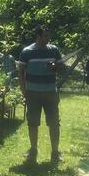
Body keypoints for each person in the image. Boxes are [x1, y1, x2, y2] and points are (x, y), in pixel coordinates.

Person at [18, 26, 64, 165]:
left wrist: (55, 67)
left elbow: (62, 68)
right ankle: (33, 150)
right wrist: (23, 90)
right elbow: (21, 72)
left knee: (54, 123)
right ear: (38, 36)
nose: (48, 39)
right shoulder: (27, 52)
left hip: (50, 92)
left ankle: (55, 152)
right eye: (45, 36)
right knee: (33, 123)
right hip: (33, 93)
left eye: (48, 36)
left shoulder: (54, 50)